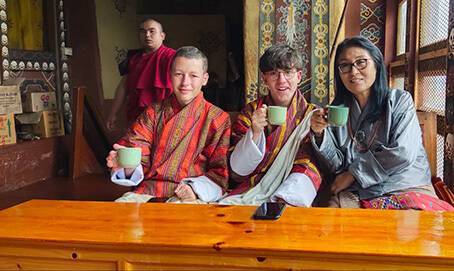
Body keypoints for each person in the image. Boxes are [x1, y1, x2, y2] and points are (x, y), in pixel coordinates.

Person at [309, 36, 454, 211]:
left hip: (404, 184)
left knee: (410, 235)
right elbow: (335, 166)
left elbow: (403, 152)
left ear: (377, 65)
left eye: (361, 63)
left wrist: (352, 174)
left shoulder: (399, 101)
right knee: (334, 230)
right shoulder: (337, 111)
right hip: (357, 190)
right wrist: (320, 134)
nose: (353, 72)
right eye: (345, 65)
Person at [106, 46, 231, 203]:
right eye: (179, 74)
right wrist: (123, 165)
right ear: (170, 76)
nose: (185, 82)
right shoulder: (153, 112)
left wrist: (196, 190)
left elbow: (219, 172)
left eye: (193, 76)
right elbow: (137, 156)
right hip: (149, 190)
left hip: (188, 193)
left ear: (204, 79)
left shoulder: (217, 119)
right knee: (120, 211)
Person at [220, 43, 322, 207]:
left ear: (299, 76)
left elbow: (312, 163)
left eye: (288, 72)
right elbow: (237, 172)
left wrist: (319, 133)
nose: (281, 81)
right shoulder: (251, 112)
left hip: (292, 193)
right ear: (264, 79)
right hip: (253, 188)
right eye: (274, 73)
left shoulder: (312, 115)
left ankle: (288, 199)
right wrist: (255, 134)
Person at [106, 19, 177, 130]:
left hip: (166, 116)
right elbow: (123, 87)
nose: (147, 35)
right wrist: (113, 113)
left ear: (162, 35)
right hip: (137, 117)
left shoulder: (172, 57)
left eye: (152, 31)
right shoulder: (133, 61)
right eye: (143, 32)